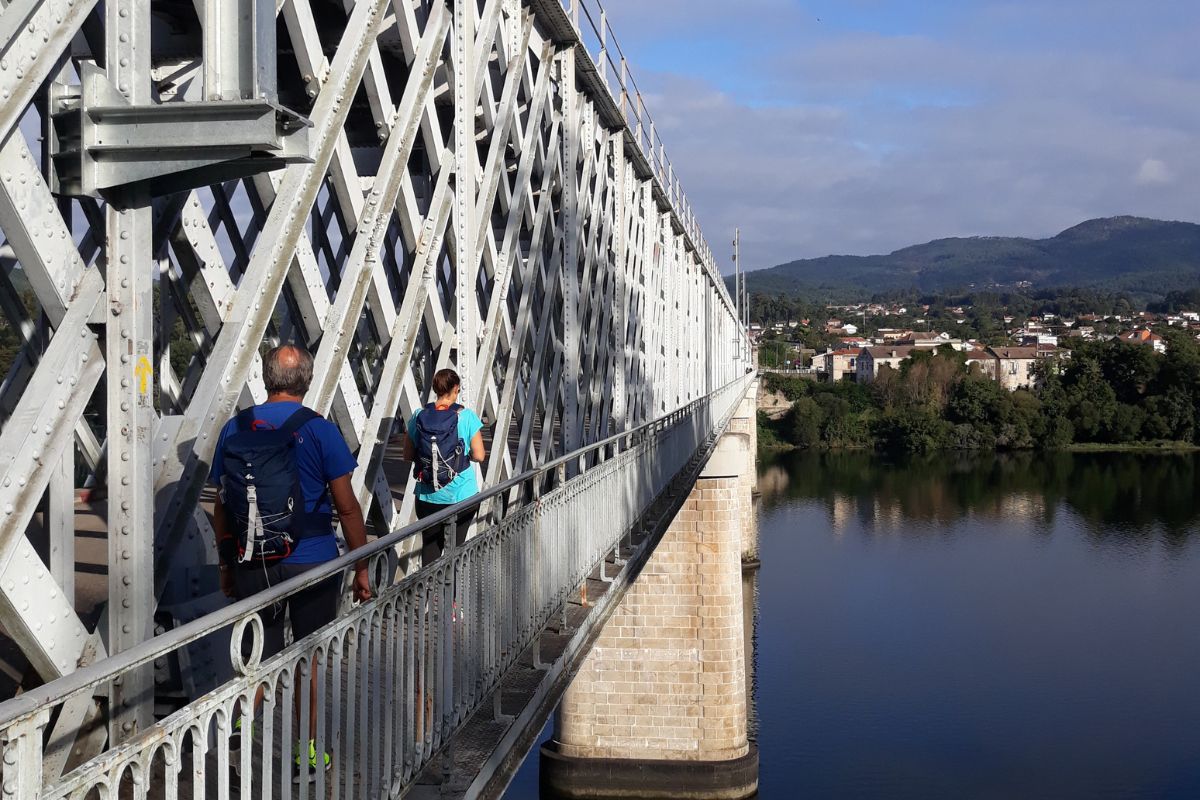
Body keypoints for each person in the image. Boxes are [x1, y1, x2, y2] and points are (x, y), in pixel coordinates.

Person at [209, 343, 371, 779]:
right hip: (311, 563)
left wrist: (227, 564)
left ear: (266, 378)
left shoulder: (235, 427)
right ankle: (307, 755)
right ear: (308, 380)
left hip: (251, 562)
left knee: (256, 655)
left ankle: (238, 728)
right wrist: (360, 567)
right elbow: (349, 508)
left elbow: (221, 504)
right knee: (307, 659)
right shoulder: (319, 430)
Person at [403, 368, 486, 563]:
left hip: (427, 495)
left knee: (430, 549)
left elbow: (407, 455)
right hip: (462, 495)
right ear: (456, 389)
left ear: (435, 389)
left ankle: (428, 592)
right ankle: (453, 593)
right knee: (456, 552)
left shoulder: (418, 415)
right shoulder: (466, 416)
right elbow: (480, 455)